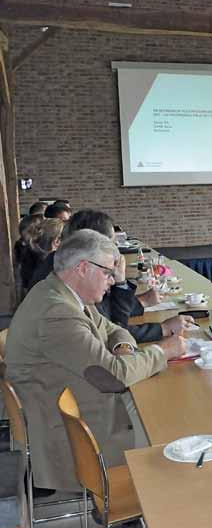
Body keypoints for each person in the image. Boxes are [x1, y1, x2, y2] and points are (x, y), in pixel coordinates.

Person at [5, 230, 187, 491]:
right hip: (73, 435)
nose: (112, 281)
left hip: (73, 403)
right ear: (82, 268)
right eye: (107, 273)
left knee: (160, 406)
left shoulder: (64, 294)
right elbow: (113, 378)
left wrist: (124, 348)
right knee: (169, 432)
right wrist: (164, 351)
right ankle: (144, 506)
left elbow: (113, 329)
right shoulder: (57, 312)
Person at [27, 209, 194, 343]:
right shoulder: (68, 277)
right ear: (92, 242)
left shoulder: (63, 264)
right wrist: (163, 329)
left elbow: (107, 317)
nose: (116, 250)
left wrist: (135, 297)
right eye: (112, 244)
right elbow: (110, 332)